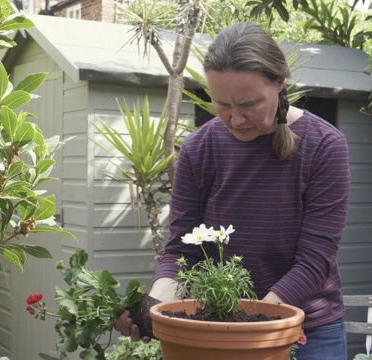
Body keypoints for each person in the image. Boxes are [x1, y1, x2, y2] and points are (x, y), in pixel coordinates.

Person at [115, 22, 351, 360]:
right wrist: (155, 306)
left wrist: (253, 324)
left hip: (309, 332)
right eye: (222, 104)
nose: (235, 119)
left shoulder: (325, 146)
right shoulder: (199, 148)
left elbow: (314, 261)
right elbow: (184, 249)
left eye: (249, 105)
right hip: (218, 328)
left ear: (279, 83)